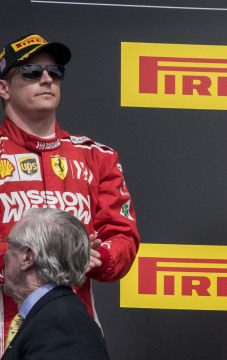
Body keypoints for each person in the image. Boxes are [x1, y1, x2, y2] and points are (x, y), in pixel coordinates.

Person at [0, 34, 139, 353]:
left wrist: (94, 257)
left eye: (55, 72)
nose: (47, 78)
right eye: (32, 72)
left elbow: (123, 239)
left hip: (73, 333)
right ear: (4, 88)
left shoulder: (97, 156)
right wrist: (29, 258)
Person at [1, 208, 110, 359]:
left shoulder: (57, 325)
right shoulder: (51, 314)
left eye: (9, 244)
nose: (4, 255)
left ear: (27, 257)